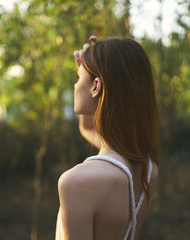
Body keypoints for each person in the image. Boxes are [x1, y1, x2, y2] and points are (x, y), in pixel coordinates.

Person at [55, 36, 160, 240]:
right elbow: (88, 129)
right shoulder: (148, 170)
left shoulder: (77, 182)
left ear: (96, 86)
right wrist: (93, 62)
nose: (75, 86)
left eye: (78, 78)